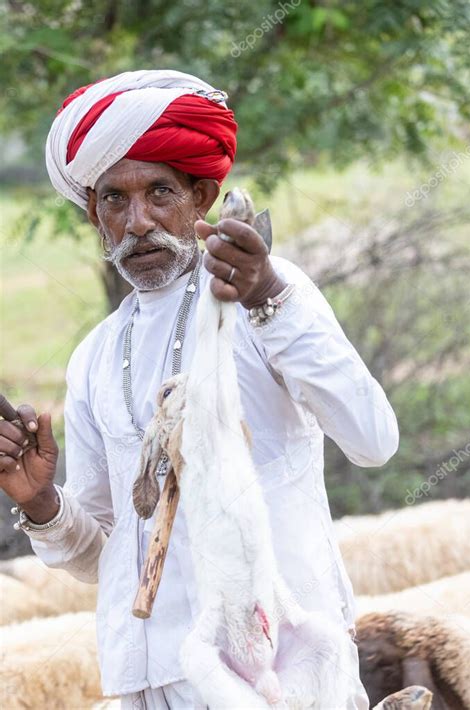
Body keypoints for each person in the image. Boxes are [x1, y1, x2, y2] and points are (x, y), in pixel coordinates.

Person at [0, 70, 398, 709]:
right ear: (92, 215)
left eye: (160, 191)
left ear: (202, 196)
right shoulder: (94, 356)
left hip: (281, 673)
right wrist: (43, 502)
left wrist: (269, 298)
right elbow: (105, 559)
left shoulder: (267, 294)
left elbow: (375, 440)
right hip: (145, 682)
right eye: (113, 200)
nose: (138, 222)